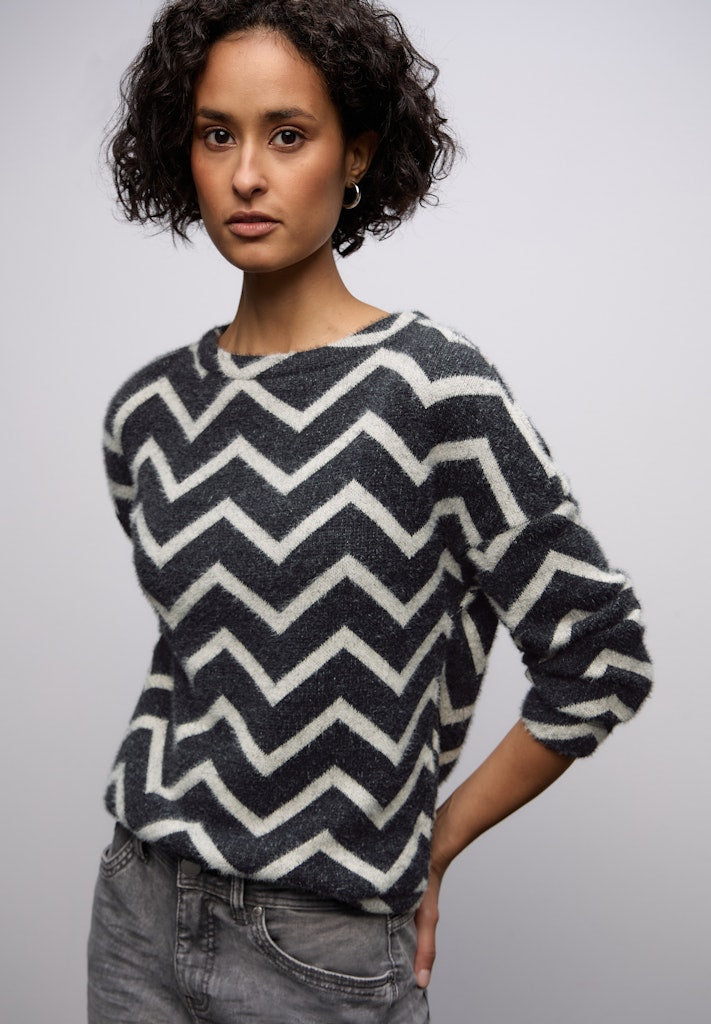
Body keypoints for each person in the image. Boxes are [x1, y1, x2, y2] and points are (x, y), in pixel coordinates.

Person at [87, 1, 653, 1021]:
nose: (246, 174)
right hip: (136, 907)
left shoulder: (432, 387)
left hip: (324, 944)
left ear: (356, 154)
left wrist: (435, 842)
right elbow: (204, 665)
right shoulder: (149, 413)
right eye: (216, 134)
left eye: (287, 134)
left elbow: (601, 656)